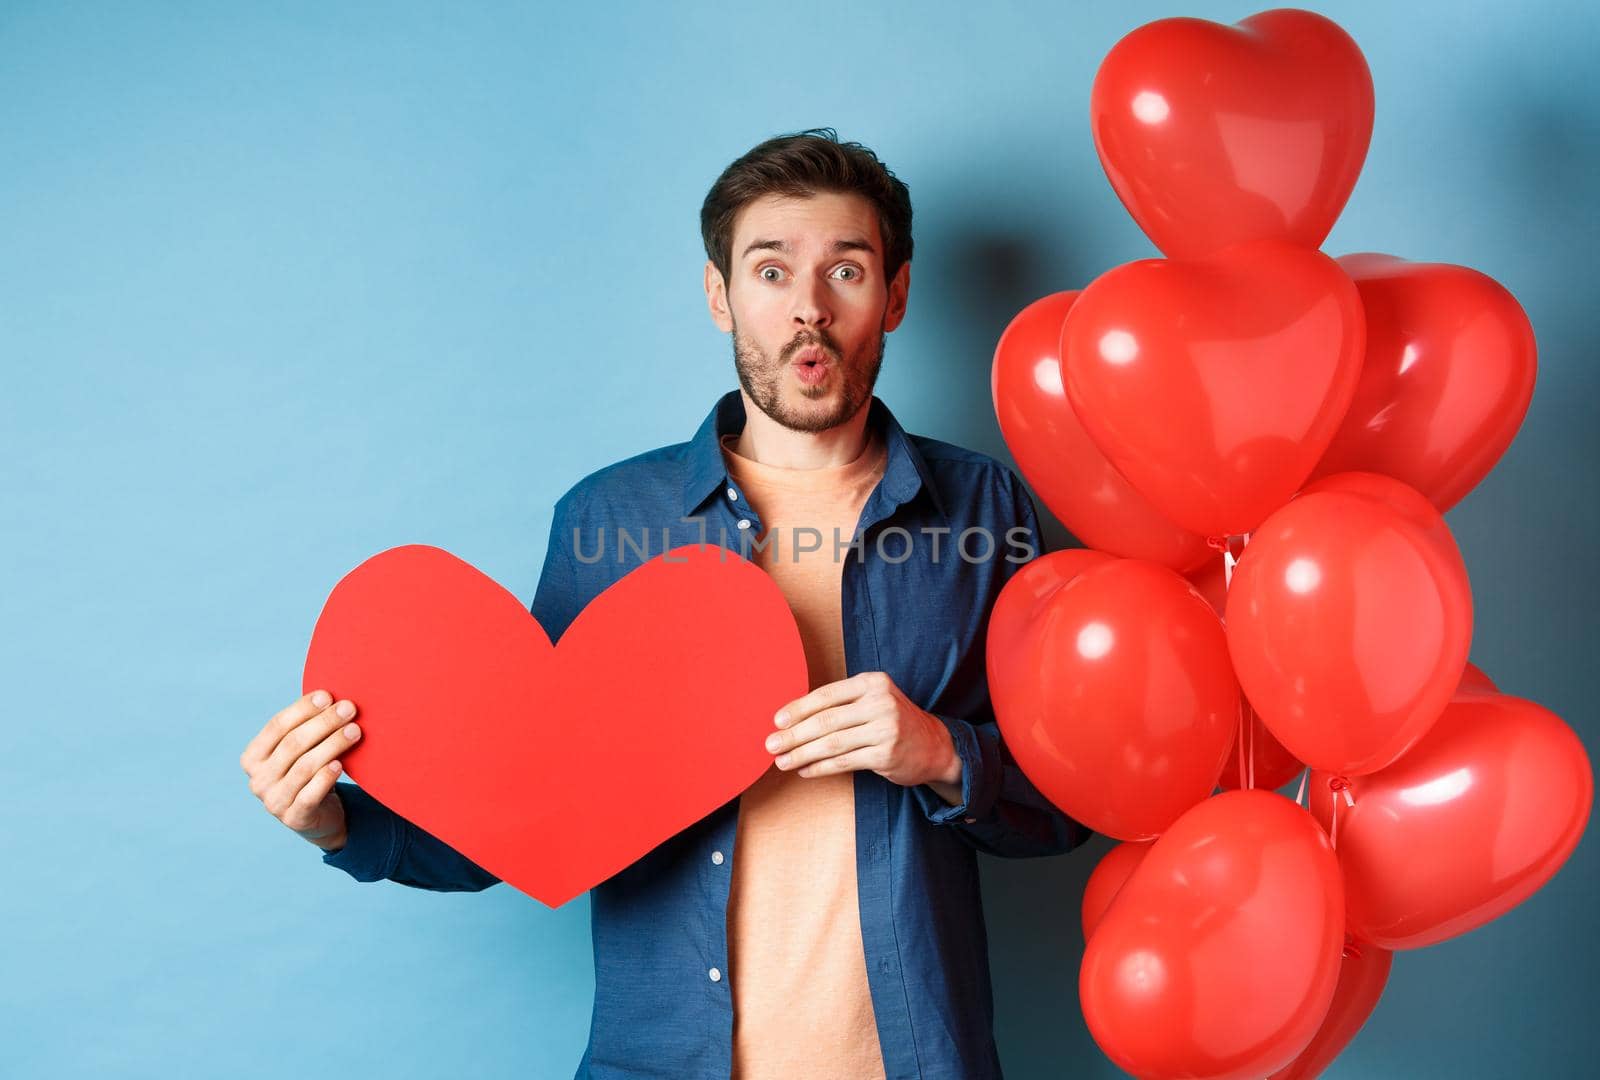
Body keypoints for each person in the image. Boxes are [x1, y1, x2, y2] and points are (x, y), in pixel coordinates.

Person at [240, 128, 1093, 1080]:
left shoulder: (984, 509)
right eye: (771, 272)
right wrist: (338, 824)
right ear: (720, 295)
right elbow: (518, 815)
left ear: (893, 296)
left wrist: (940, 752)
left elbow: (1069, 802)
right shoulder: (611, 519)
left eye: (845, 271)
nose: (808, 310)